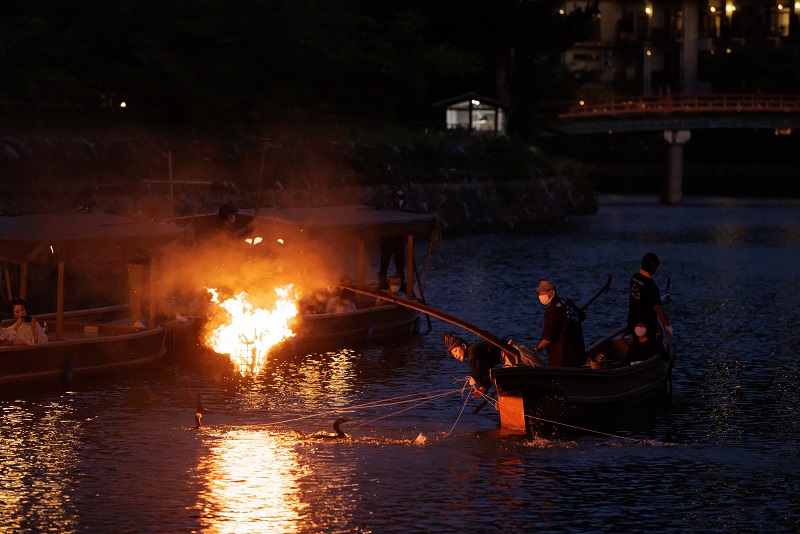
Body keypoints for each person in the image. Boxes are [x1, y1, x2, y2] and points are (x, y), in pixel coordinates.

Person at [531, 280, 586, 367]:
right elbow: (581, 316)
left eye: (542, 293)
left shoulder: (553, 310)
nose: (540, 296)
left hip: (562, 358)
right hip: (577, 355)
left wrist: (536, 349)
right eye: (539, 293)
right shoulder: (568, 302)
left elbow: (548, 338)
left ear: (552, 293)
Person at [444, 332, 504, 398]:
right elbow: (486, 370)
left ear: (463, 346)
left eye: (455, 351)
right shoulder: (475, 354)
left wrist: (474, 378)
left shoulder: (473, 351)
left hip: (509, 351)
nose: (455, 355)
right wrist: (483, 387)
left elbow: (475, 371)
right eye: (454, 355)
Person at [628, 252, 673, 340]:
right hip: (646, 326)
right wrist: (667, 326)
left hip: (633, 323)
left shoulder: (634, 278)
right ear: (654, 268)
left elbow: (642, 298)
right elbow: (657, 309)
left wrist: (660, 299)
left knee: (636, 343)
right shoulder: (651, 286)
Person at [378, 190, 406, 289]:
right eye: (399, 198)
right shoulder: (387, 209)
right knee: (384, 265)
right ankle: (382, 285)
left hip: (398, 240)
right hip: (387, 240)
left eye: (402, 198)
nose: (400, 200)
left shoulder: (402, 210)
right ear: (393, 198)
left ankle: (401, 285)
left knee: (400, 266)